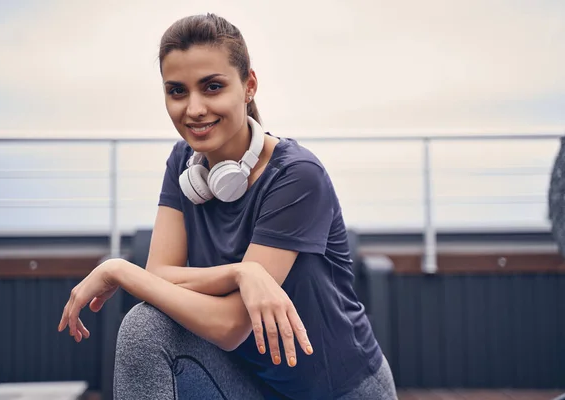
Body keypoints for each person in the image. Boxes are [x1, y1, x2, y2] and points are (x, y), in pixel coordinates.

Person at [58, 13, 398, 400]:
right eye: (177, 91)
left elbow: (232, 325)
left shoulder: (298, 175)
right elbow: (158, 273)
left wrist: (119, 271)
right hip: (248, 380)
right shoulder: (182, 163)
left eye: (212, 87)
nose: (194, 109)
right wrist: (240, 274)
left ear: (248, 85)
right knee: (144, 327)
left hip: (338, 391)